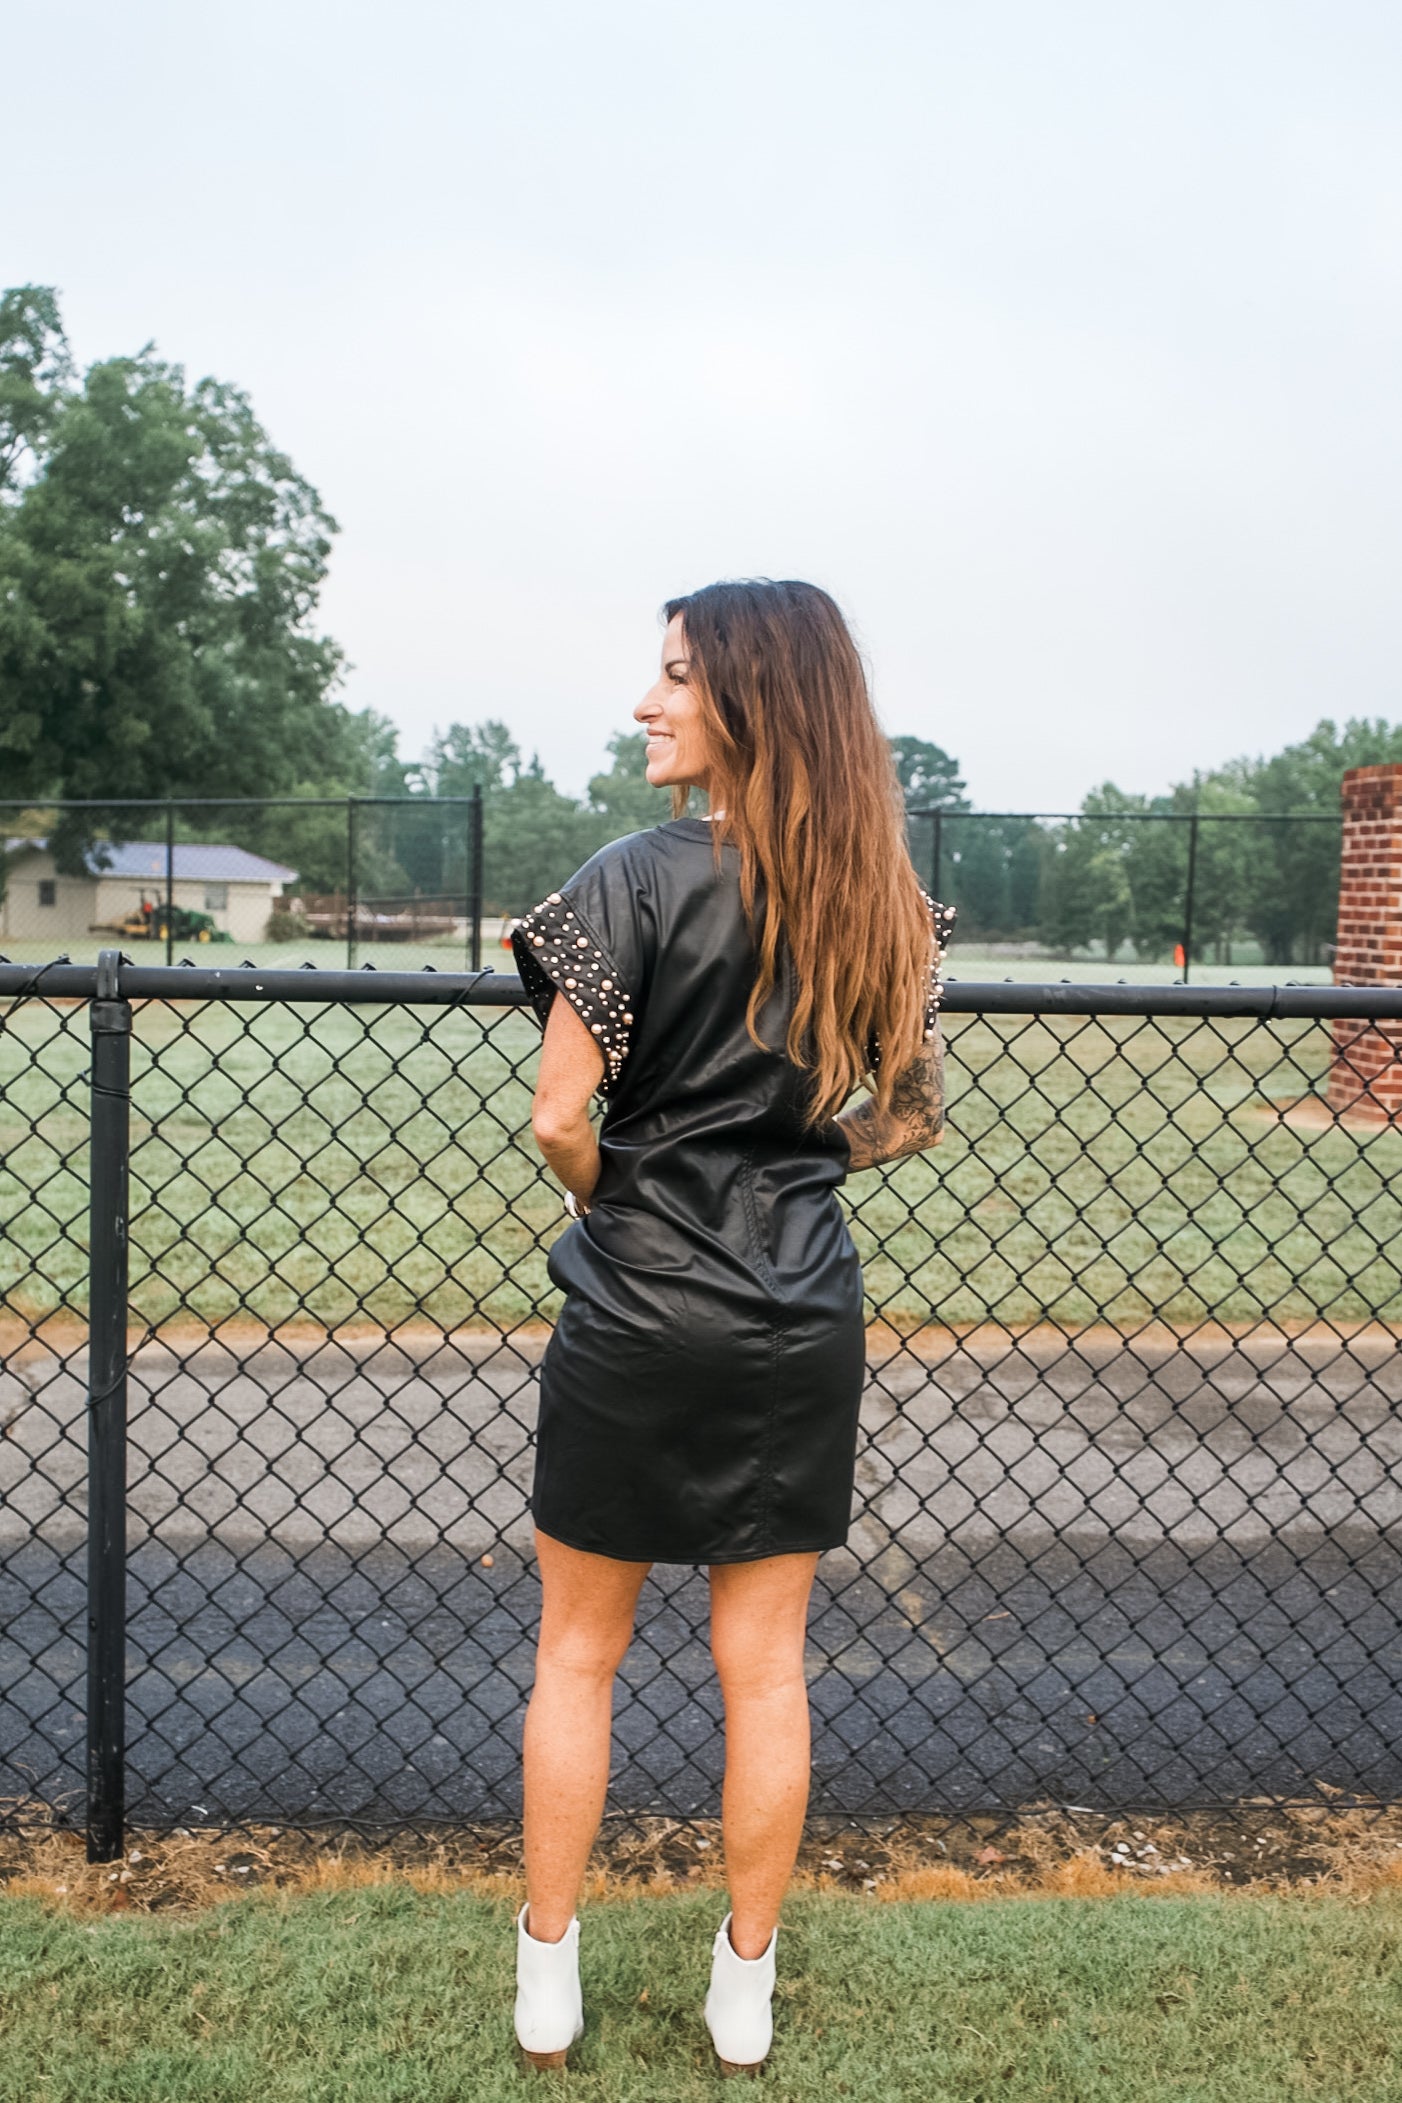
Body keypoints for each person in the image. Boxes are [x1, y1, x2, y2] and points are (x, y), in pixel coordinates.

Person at [507, 578, 953, 2076]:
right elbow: (907, 1117)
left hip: (634, 1304)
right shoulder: (876, 900)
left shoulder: (628, 879)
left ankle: (546, 1981)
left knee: (579, 1653)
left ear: (753, 699)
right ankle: (741, 1993)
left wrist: (613, 1196)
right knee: (763, 1669)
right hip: (796, 1321)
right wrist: (794, 1163)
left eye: (677, 677)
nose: (646, 703)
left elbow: (559, 1116)